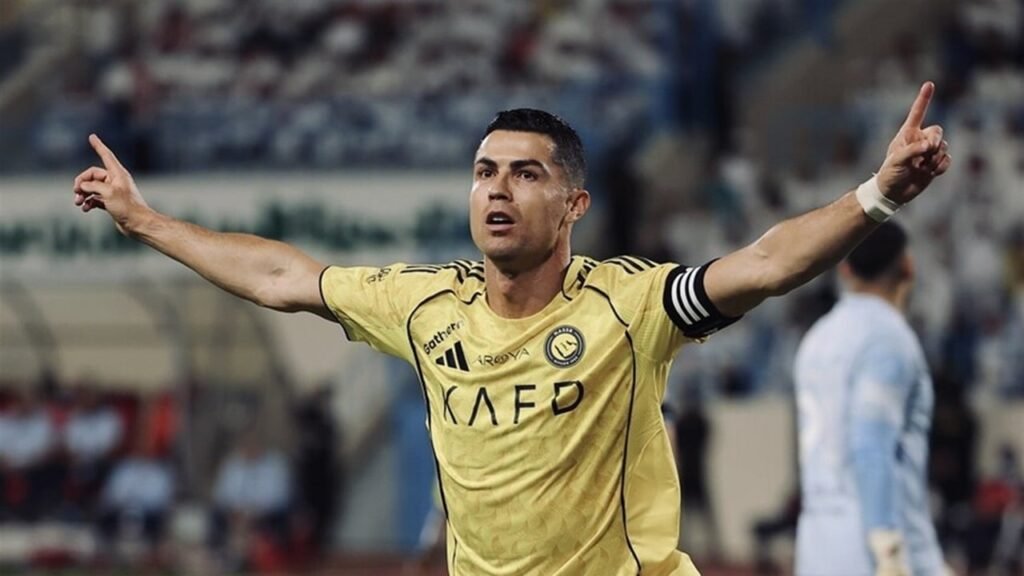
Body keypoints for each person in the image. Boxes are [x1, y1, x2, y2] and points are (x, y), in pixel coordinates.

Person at [73, 82, 950, 575]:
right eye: (484, 171)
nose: (496, 188)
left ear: (574, 204)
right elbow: (281, 277)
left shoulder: (629, 305)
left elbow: (762, 264)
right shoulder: (423, 306)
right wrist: (145, 222)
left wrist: (877, 195)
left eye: (525, 174)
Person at [793, 222, 947, 576]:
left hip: (817, 545)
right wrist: (887, 546)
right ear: (908, 266)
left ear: (845, 269)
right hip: (874, 546)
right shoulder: (888, 338)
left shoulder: (816, 338)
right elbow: (872, 445)